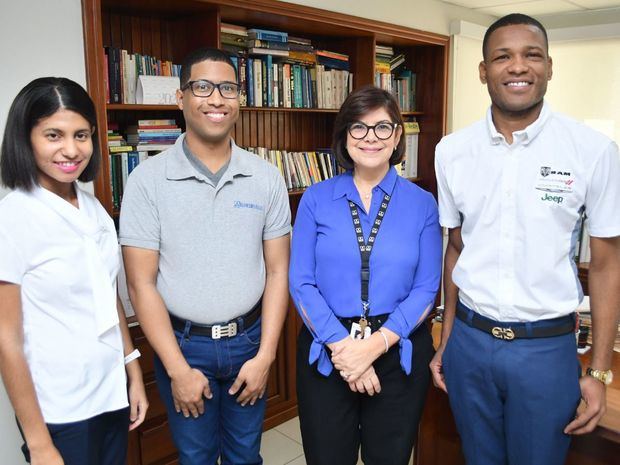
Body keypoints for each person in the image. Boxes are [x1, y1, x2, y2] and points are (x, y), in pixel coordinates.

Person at [430, 13, 620, 465]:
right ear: (483, 71)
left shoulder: (593, 151)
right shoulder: (451, 151)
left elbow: (609, 265)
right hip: (470, 346)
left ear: (550, 66)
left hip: (545, 352)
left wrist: (599, 369)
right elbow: (456, 248)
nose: (518, 67)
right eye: (503, 56)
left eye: (531, 55)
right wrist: (448, 339)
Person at [120, 47, 291, 465]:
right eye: (203, 86)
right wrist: (177, 369)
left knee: (246, 455)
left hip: (249, 342)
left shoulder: (266, 177)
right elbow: (141, 284)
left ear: (239, 99)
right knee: (195, 457)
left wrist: (266, 355)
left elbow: (278, 270)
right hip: (183, 345)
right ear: (181, 98)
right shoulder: (147, 181)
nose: (216, 98)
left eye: (228, 88)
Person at [289, 85, 442, 465]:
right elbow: (301, 282)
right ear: (344, 136)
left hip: (397, 348)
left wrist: (372, 348)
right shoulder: (316, 198)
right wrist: (345, 350)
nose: (370, 138)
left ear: (397, 137)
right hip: (328, 348)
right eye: (358, 127)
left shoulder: (423, 203)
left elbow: (426, 288)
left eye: (382, 127)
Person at [0, 77, 148, 465]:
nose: (71, 149)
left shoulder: (92, 206)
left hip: (109, 392)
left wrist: (132, 369)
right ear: (25, 137)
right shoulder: (13, 217)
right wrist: (39, 443)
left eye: (81, 135)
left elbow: (107, 294)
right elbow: (7, 340)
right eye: (53, 135)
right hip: (59, 409)